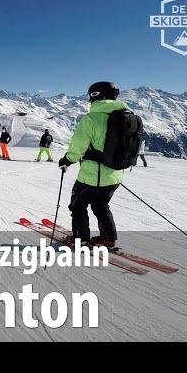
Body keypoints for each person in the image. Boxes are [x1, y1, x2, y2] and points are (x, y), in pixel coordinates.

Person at [58, 81, 140, 248]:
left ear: (95, 96)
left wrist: (67, 160)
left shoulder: (92, 119)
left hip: (92, 177)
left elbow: (78, 146)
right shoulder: (127, 116)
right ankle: (108, 238)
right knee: (101, 205)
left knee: (78, 206)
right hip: (115, 175)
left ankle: (80, 239)